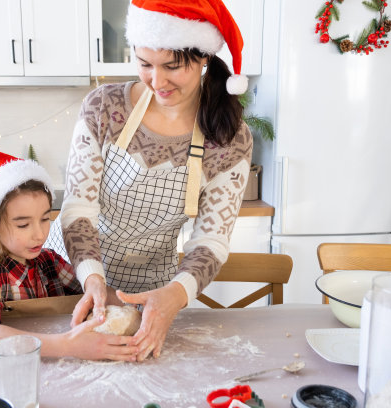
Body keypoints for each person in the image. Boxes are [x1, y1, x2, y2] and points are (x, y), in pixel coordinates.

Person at [45, 0, 253, 362]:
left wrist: (175, 295)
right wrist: (93, 278)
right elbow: (78, 208)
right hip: (73, 277)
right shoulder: (104, 107)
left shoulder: (230, 137)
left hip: (152, 289)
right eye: (145, 65)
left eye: (172, 66)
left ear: (203, 57)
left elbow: (211, 240)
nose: (157, 81)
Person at [0, 149, 138, 361]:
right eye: (23, 224)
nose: (40, 234)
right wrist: (67, 345)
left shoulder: (49, 261)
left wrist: (130, 306)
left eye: (44, 219)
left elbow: (96, 294)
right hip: (15, 370)